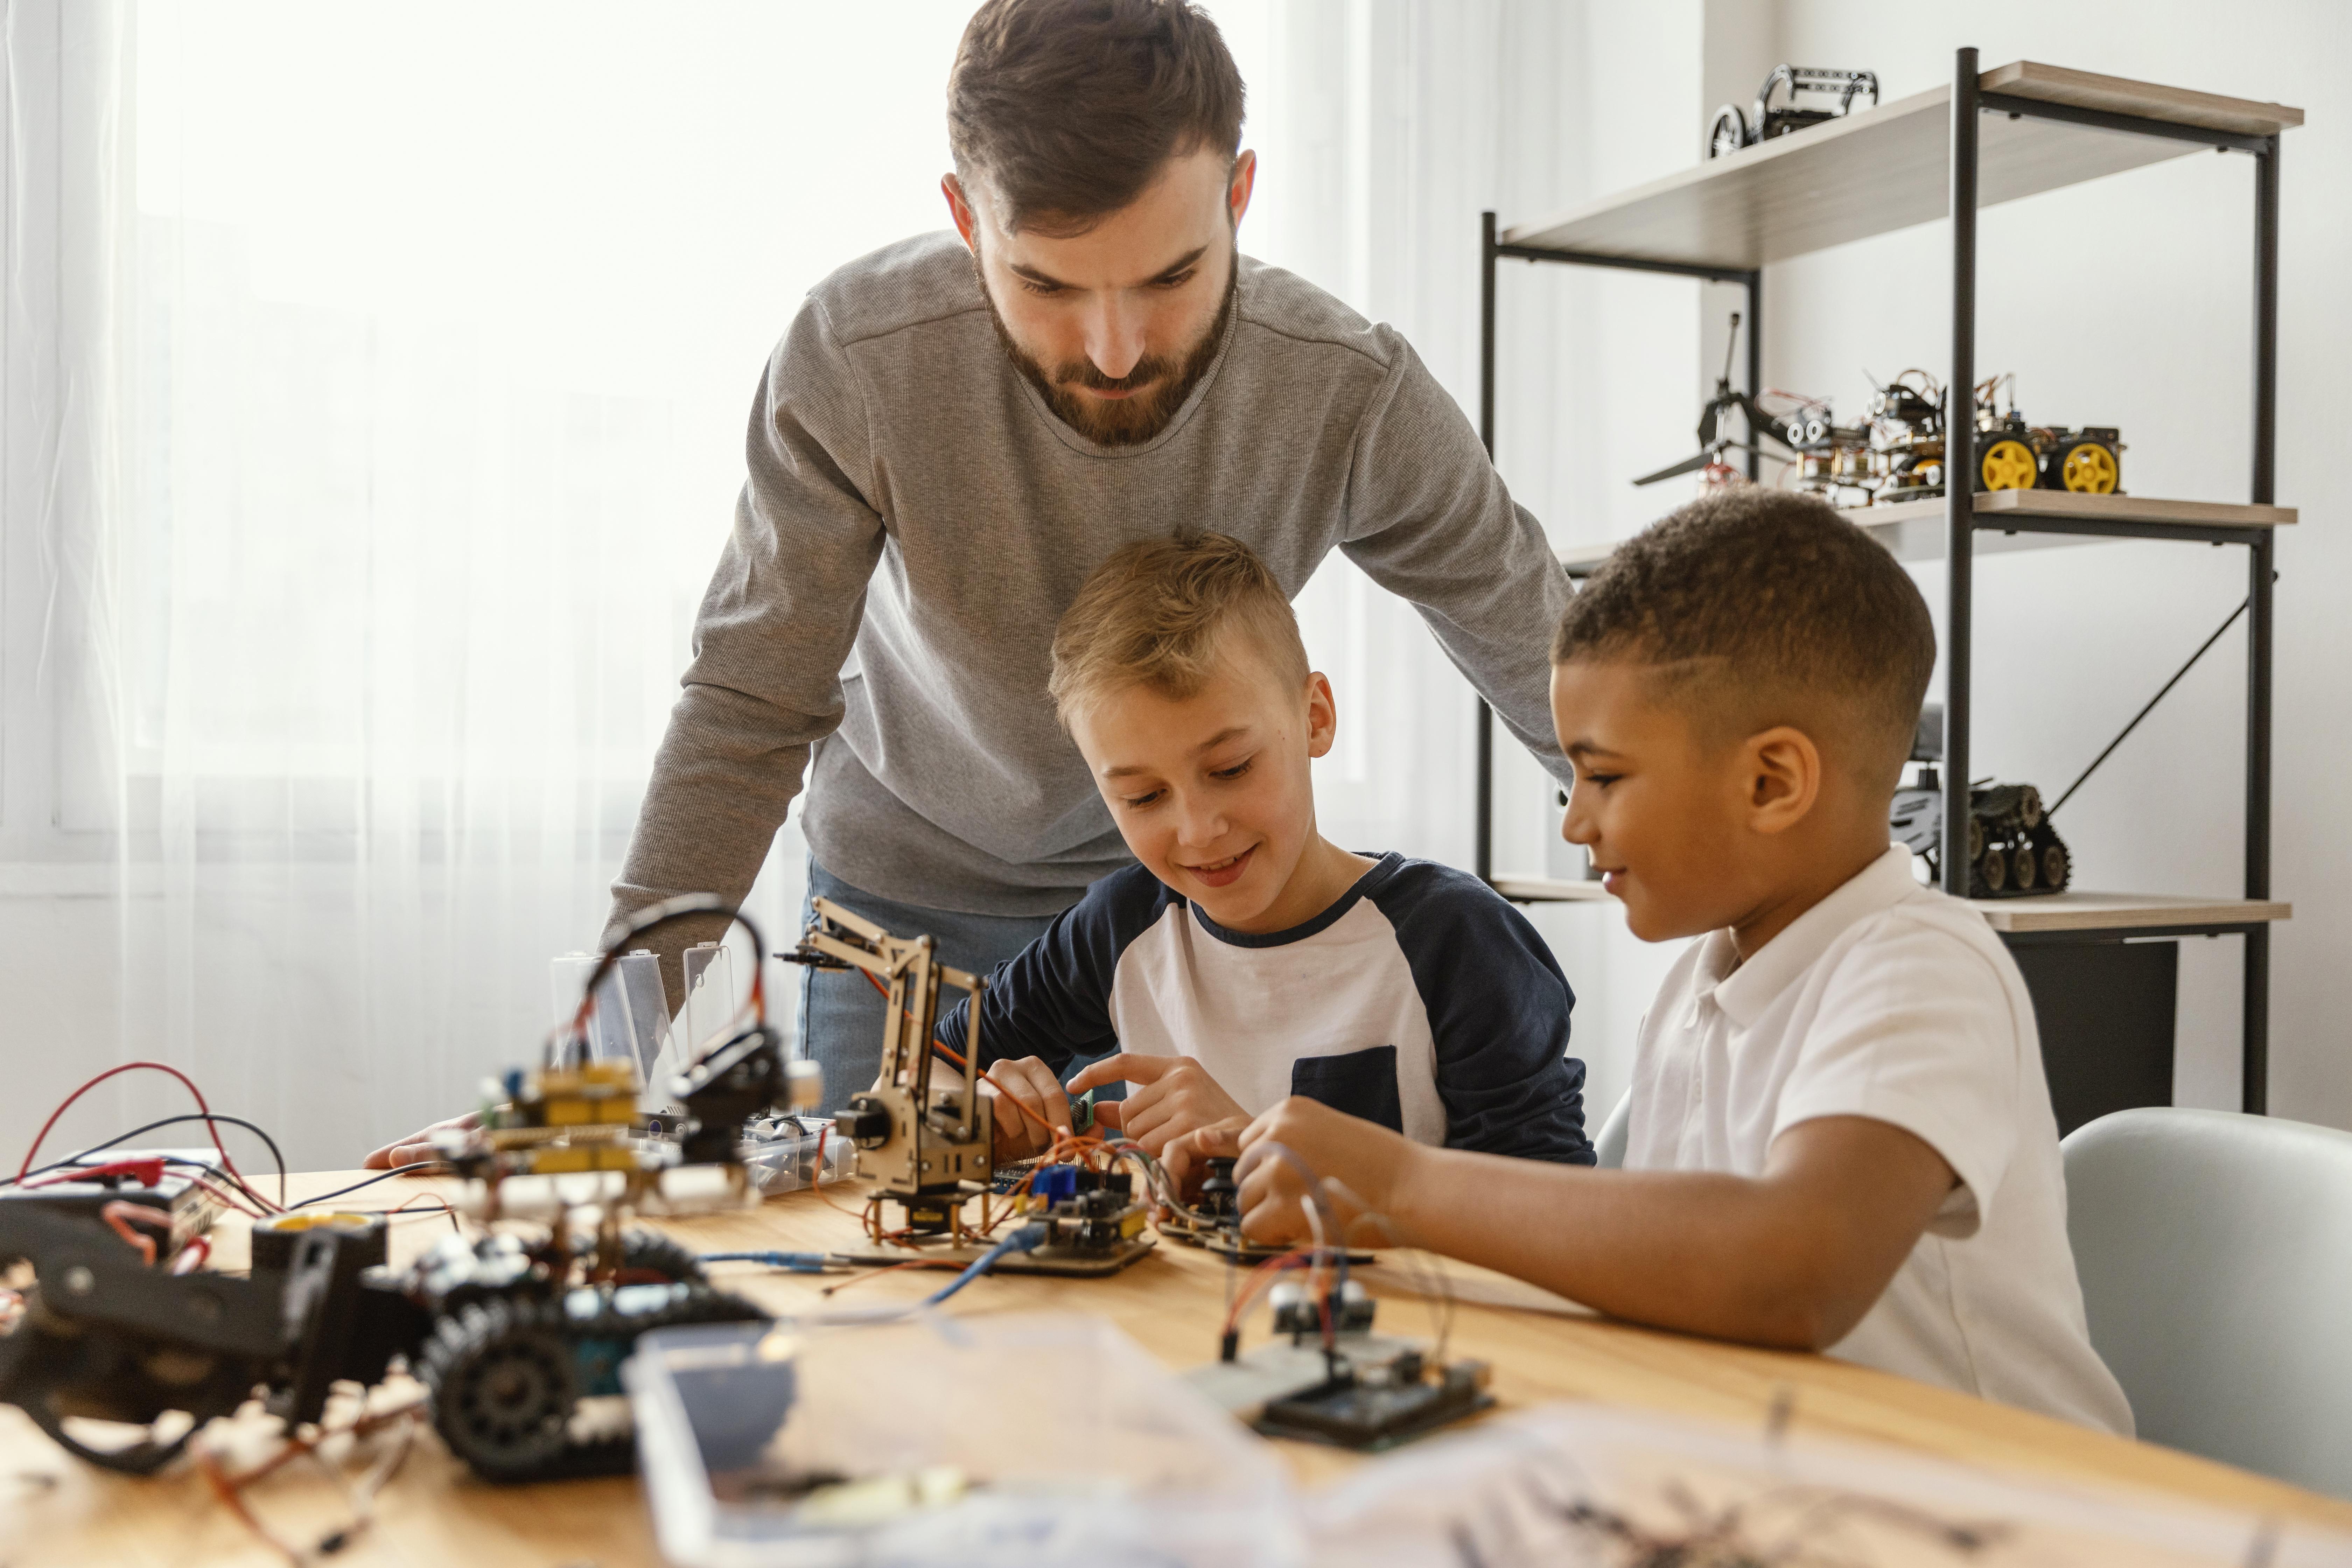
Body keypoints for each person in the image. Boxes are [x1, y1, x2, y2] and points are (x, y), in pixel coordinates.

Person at [366, 0, 1572, 1169]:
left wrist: (1732, 889)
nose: (1115, 349)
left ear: (1240, 195)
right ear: (962, 216)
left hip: (1163, 913)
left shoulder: (1344, 389)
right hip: (899, 911)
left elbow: (1533, 636)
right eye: (1048, 285)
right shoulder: (859, 358)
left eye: (1170, 276)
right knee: (883, 1266)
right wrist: (601, 1075)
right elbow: (748, 707)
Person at [1177, 490, 2133, 1434]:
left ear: (1772, 783)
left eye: (1604, 776)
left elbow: (1790, 1273)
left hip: (2004, 1508)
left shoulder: (1920, 966)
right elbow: (1661, 1266)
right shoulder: (1703, 983)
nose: (1575, 819)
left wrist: (1396, 1186)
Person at [951, 534, 1592, 1168]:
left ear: (1314, 718)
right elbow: (937, 1071)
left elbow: (1558, 1225)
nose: (1198, 831)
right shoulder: (1119, 928)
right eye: (1144, 798)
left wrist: (1257, 1146)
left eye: (1231, 769)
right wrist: (982, 1116)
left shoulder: (1459, 944)